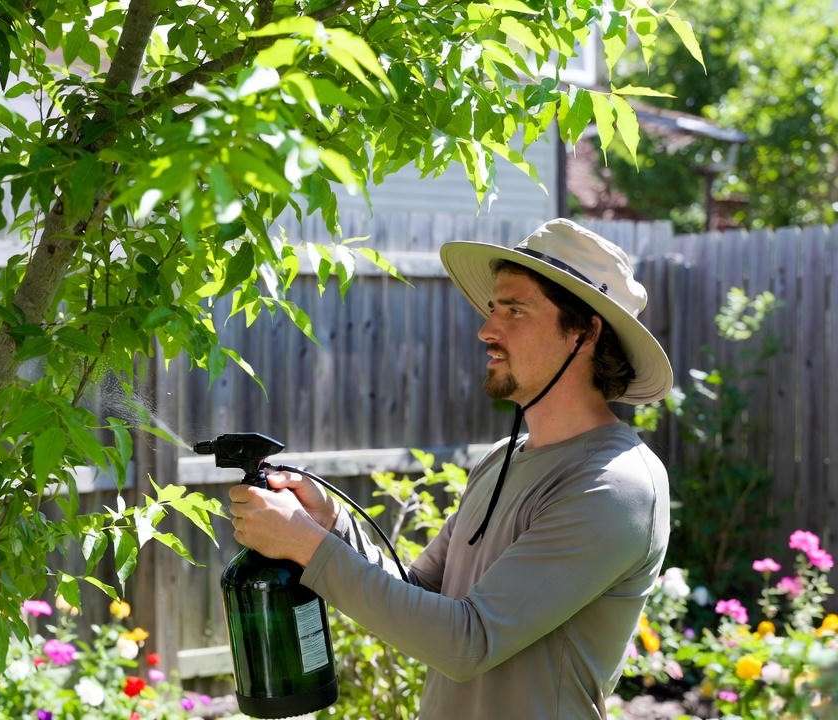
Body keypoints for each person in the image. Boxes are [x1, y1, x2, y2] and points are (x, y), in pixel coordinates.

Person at [228, 218, 674, 719]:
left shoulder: (615, 486)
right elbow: (416, 598)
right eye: (491, 309)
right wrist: (331, 526)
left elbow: (469, 643)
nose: (487, 329)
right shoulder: (502, 460)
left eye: (515, 310)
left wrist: (304, 547)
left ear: (584, 332)